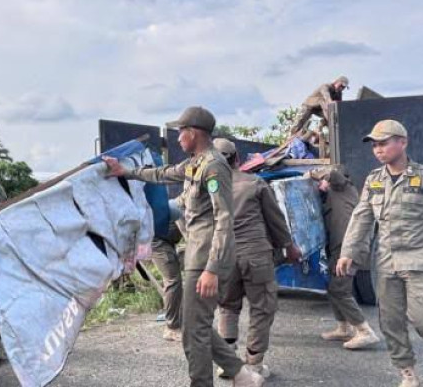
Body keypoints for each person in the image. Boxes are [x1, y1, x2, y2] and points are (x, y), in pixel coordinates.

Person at [104, 106, 264, 387]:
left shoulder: (214, 166)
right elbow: (162, 173)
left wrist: (212, 269)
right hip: (197, 254)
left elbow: (223, 219)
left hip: (207, 257)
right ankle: (241, 375)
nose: (178, 138)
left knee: (193, 331)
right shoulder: (195, 164)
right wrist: (125, 171)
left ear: (194, 133)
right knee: (195, 324)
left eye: (181, 132)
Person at [336, 120, 423, 387]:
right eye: (374, 145)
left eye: (383, 143)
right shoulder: (374, 180)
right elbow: (361, 217)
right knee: (390, 323)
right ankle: (407, 372)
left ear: (402, 142)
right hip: (386, 261)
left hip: (420, 259)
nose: (378, 150)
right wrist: (348, 252)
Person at [213, 138, 303, 379]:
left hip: (222, 257)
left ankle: (228, 363)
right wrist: (289, 247)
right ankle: (253, 365)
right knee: (262, 307)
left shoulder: (207, 189)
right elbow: (275, 220)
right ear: (237, 159)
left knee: (227, 306)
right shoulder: (254, 183)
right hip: (255, 255)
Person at [309, 168, 380, 349]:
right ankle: (344, 328)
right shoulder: (332, 196)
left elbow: (332, 173)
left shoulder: (343, 186)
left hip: (350, 248)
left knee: (340, 289)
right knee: (332, 288)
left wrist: (312, 174)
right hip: (338, 248)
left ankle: (365, 331)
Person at [151, 217, 185, 342]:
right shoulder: (181, 204)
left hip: (167, 241)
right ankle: (172, 328)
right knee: (173, 280)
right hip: (157, 241)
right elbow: (182, 224)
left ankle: (180, 321)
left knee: (174, 279)